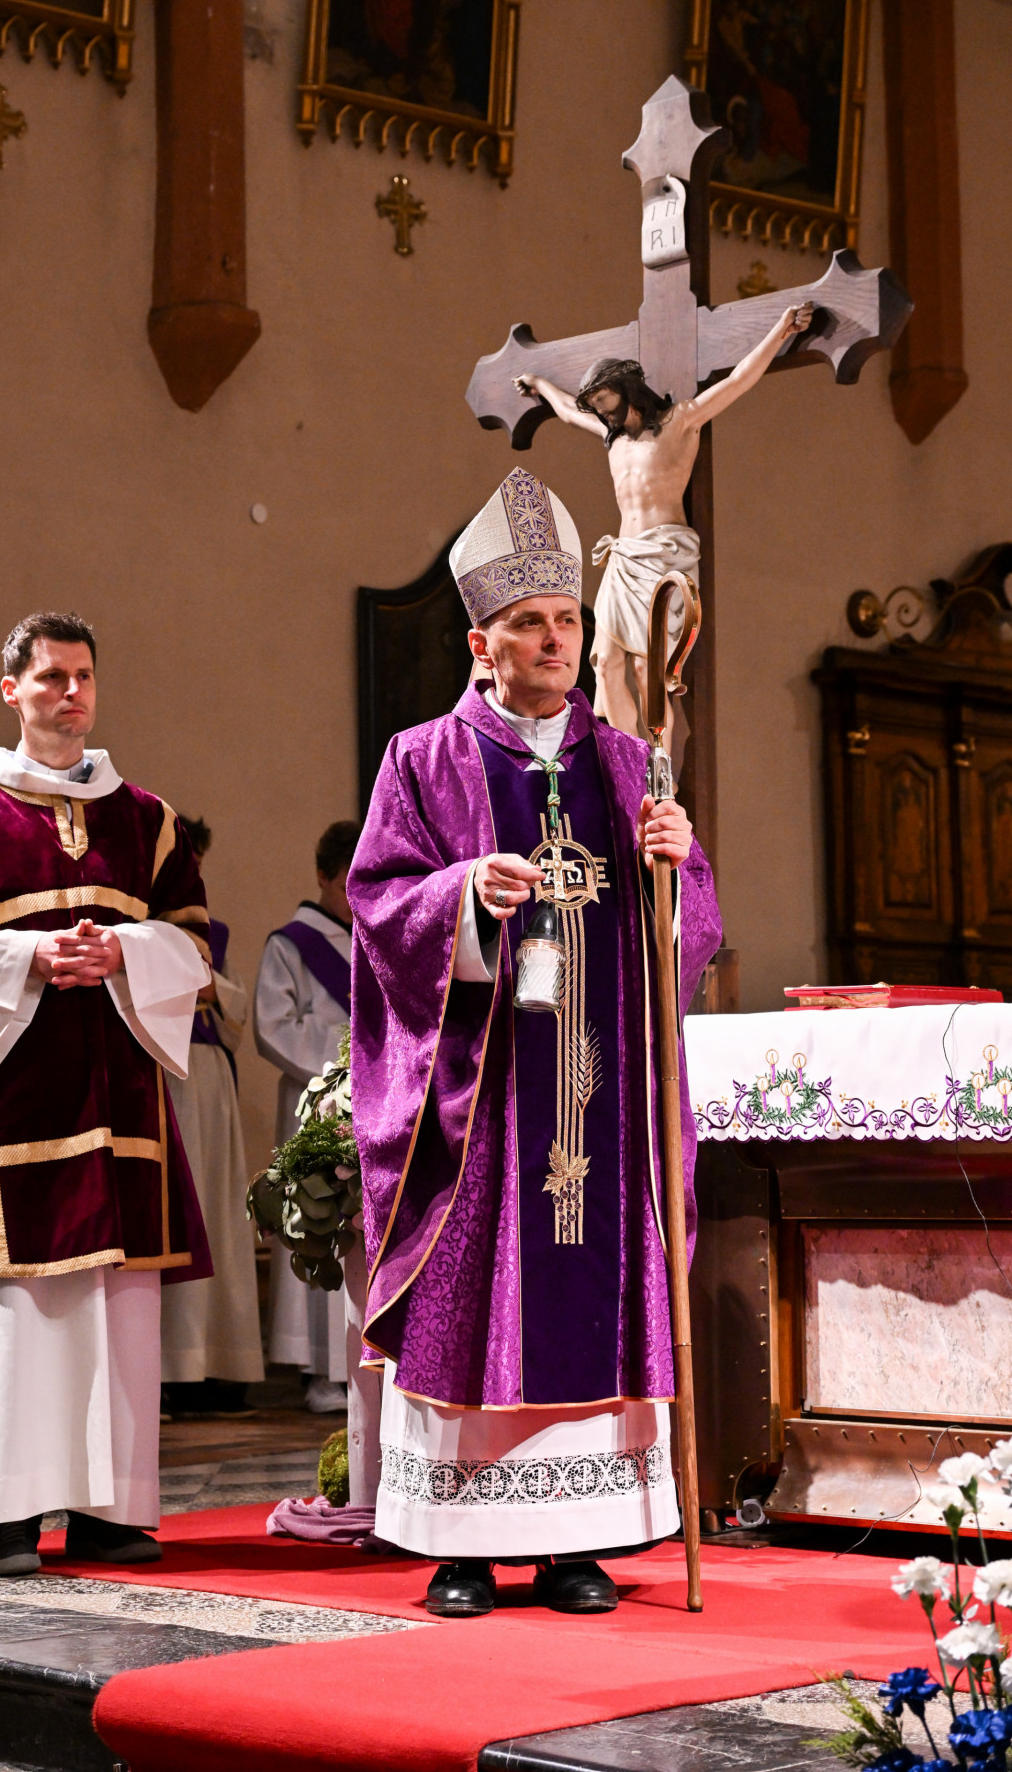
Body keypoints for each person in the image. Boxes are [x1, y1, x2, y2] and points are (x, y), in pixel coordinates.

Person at [348, 468, 722, 1617]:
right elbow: (379, 905)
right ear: (482, 644)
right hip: (487, 1099)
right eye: (529, 624)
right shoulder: (423, 760)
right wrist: (464, 894)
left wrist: (674, 869)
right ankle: (462, 1546)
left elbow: (692, 935)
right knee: (474, 1290)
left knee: (591, 1285)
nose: (556, 642)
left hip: (603, 1091)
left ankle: (577, 1541)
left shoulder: (630, 766)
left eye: (567, 620)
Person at [0, 612, 213, 1577]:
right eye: (52, 677)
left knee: (116, 1308)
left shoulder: (144, 819)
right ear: (11, 690)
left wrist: (126, 952)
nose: (71, 693)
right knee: (18, 1316)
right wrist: (26, 956)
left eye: (84, 677)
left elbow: (194, 941)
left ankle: (110, 1512)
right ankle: (13, 1515)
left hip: (118, 1104)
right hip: (6, 1101)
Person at [514, 301, 814, 742]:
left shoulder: (680, 421)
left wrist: (782, 330)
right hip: (624, 558)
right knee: (605, 663)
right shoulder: (612, 438)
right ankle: (625, 761)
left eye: (603, 400)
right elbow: (566, 410)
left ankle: (658, 767)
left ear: (625, 388)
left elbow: (739, 380)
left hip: (663, 554)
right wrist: (540, 383)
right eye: (595, 405)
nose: (601, 412)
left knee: (647, 670)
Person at [159, 816, 264, 1420]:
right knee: (177, 1214)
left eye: (196, 863)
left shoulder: (210, 934)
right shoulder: (138, 929)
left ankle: (221, 1364)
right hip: (165, 1081)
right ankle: (173, 1370)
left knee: (220, 1217)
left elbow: (234, 1009)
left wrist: (212, 989)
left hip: (211, 1081)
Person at [253, 821, 359, 1414]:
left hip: (368, 1100)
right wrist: (345, 1048)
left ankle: (359, 1361)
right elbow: (273, 1027)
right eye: (344, 883)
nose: (352, 894)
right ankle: (320, 1371)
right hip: (314, 1100)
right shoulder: (291, 944)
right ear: (322, 875)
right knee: (318, 1220)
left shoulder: (371, 934)